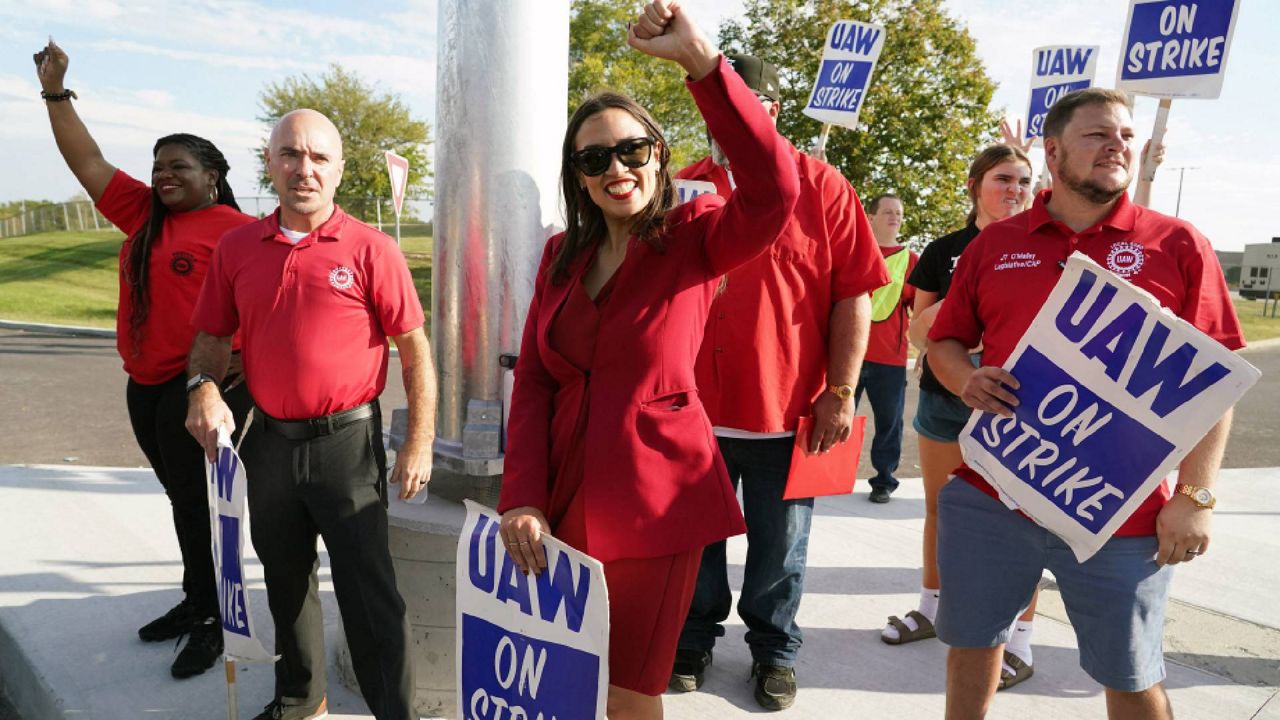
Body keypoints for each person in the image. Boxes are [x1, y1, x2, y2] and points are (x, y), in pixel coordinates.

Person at [496, 5, 801, 719]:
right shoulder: (559, 257)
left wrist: (702, 66)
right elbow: (537, 380)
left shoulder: (694, 235)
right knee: (566, 673)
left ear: (659, 154)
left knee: (630, 688)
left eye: (631, 150)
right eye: (594, 158)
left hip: (655, 501)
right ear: (577, 176)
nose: (616, 168)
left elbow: (774, 192)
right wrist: (523, 495)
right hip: (561, 501)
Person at [928, 87, 1242, 719]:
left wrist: (1195, 495)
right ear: (1053, 150)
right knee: (971, 647)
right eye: (1098, 135)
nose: (1117, 146)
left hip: (1122, 516)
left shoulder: (1178, 244)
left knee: (1130, 674)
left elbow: (1216, 381)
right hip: (996, 495)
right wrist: (965, 376)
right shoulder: (994, 244)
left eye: (1125, 136)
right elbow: (944, 340)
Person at [185, 109, 436, 720]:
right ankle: (301, 702)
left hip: (347, 444)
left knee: (368, 594)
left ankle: (392, 712)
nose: (305, 169)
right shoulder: (237, 246)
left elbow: (415, 351)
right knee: (286, 580)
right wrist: (201, 387)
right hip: (268, 441)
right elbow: (212, 339)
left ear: (339, 171)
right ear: (269, 164)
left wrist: (420, 440)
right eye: (291, 155)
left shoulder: (371, 248)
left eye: (320, 158)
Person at [665, 54, 888, 710]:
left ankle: (773, 652)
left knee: (781, 549)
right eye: (717, 106)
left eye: (743, 105)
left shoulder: (823, 187)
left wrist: (842, 392)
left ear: (774, 112)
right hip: (692, 415)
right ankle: (691, 639)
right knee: (693, 545)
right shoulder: (684, 188)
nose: (727, 120)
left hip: (788, 415)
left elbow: (854, 296)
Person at [34, 39, 255, 679]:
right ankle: (196, 601)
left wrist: (243, 362)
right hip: (145, 384)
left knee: (201, 502)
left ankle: (216, 617)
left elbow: (274, 305)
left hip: (200, 387)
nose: (165, 174)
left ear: (213, 175)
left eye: (180, 165)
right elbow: (88, 159)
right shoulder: (143, 214)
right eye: (159, 164)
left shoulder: (239, 233)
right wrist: (55, 91)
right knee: (181, 498)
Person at [884, 144, 1042, 688]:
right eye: (1003, 178)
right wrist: (960, 317)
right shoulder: (945, 251)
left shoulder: (1044, 248)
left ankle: (1019, 642)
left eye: (1025, 180)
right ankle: (931, 608)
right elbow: (920, 330)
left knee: (1025, 522)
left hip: (1018, 404)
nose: (1015, 189)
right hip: (945, 398)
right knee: (941, 508)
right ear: (975, 185)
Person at [856, 193, 917, 504]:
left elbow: (921, 311)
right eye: (888, 212)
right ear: (871, 216)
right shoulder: (854, 251)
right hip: (847, 357)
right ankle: (825, 476)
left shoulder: (911, 260)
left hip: (890, 359)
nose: (895, 217)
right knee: (836, 420)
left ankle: (884, 481)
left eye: (899, 212)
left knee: (889, 424)